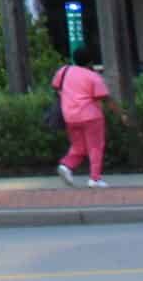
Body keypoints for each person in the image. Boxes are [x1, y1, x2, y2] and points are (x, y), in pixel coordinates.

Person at [53, 44, 111, 187]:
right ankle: (94, 179)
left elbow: (55, 86)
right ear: (90, 61)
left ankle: (66, 165)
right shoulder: (93, 77)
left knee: (79, 146)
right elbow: (103, 97)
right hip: (91, 116)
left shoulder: (64, 71)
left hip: (70, 115)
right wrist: (121, 113)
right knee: (95, 146)